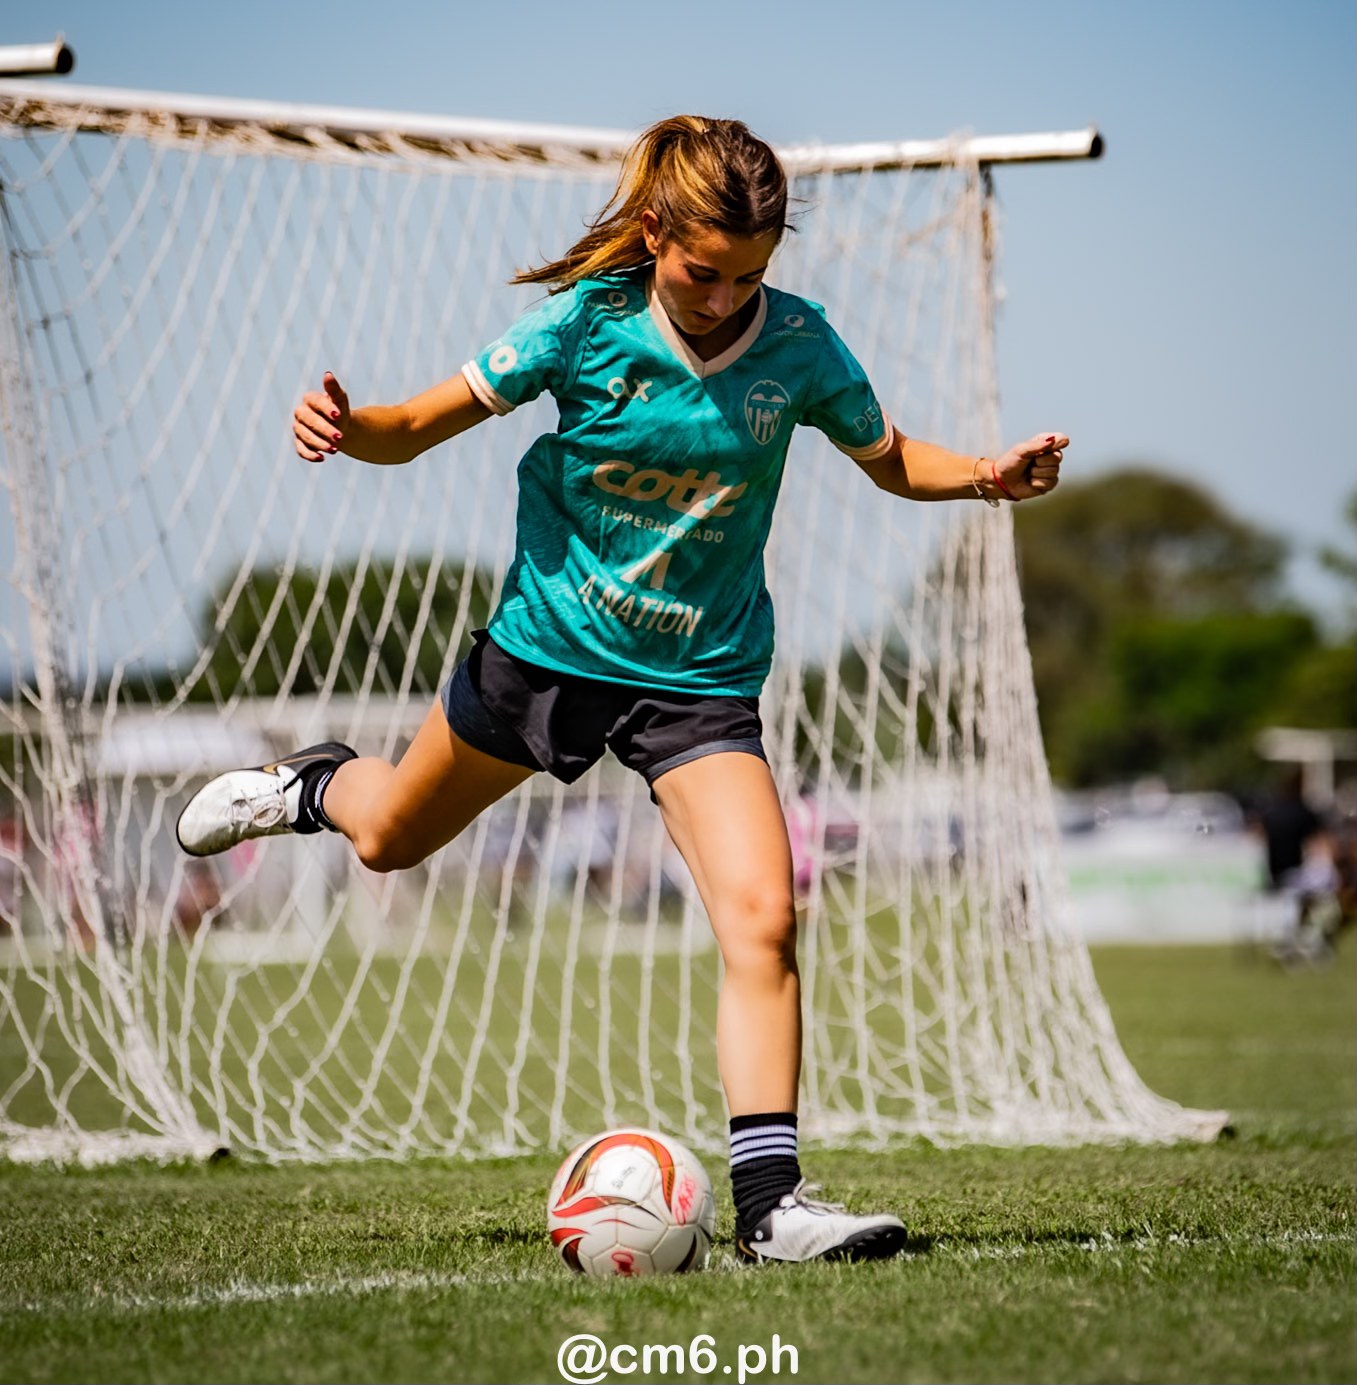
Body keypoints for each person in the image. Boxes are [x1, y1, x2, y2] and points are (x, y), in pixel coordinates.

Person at [177, 115, 1066, 1263]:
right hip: (545, 653)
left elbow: (890, 456)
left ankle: (772, 1209)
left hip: (698, 683)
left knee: (763, 914)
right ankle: (315, 784)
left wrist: (984, 475)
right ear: (654, 234)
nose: (723, 294)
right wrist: (350, 429)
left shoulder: (800, 346)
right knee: (389, 836)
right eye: (703, 271)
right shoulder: (584, 324)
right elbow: (416, 425)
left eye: (750, 273)